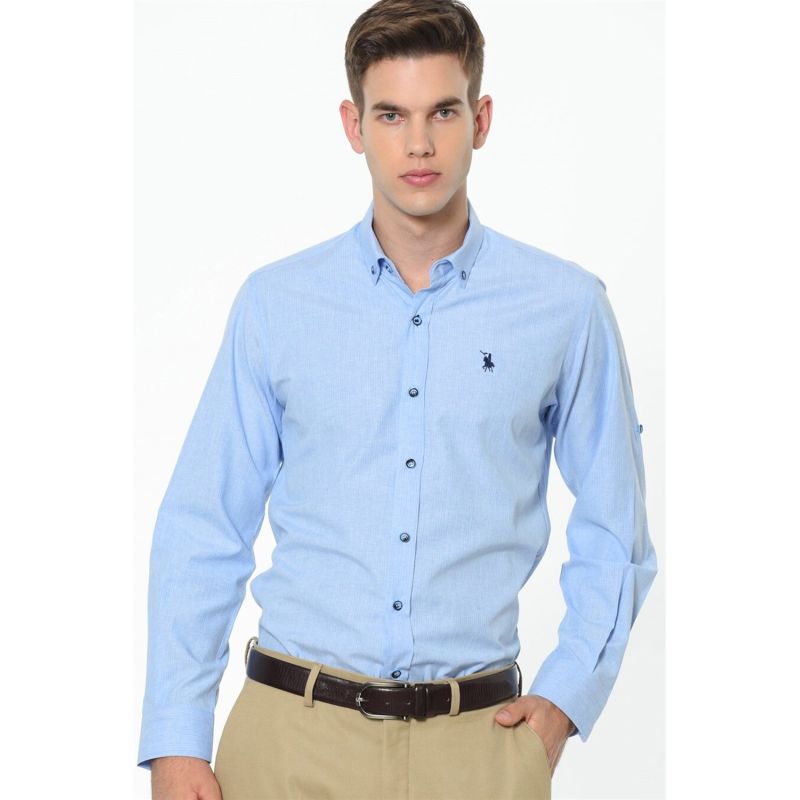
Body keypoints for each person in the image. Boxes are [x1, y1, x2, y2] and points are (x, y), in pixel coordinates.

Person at [136, 1, 658, 798]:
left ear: (481, 120)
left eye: (443, 111)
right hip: (288, 744)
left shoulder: (565, 307)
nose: (419, 144)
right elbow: (203, 525)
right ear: (354, 126)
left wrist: (566, 697)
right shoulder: (277, 305)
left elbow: (617, 525)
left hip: (478, 750)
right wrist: (176, 737)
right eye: (391, 115)